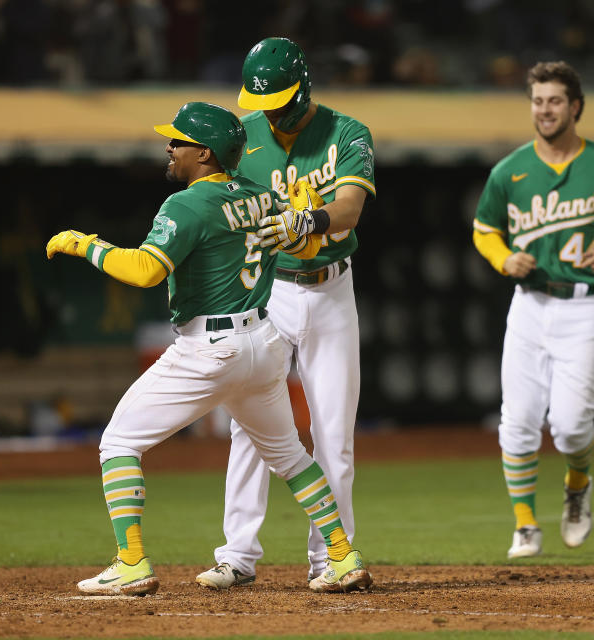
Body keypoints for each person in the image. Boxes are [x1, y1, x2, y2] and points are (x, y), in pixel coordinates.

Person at [46, 101, 370, 595]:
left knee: (118, 443)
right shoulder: (262, 195)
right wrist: (303, 219)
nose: (170, 148)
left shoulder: (186, 204)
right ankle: (342, 557)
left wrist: (86, 246)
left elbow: (145, 271)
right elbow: (305, 247)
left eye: (178, 142)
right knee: (292, 458)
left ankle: (131, 562)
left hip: (210, 347)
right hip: (262, 346)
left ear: (204, 154)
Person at [197, 37, 375, 593]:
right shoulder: (244, 135)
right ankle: (238, 555)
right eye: (263, 100)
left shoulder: (347, 132)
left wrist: (312, 221)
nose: (270, 110)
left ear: (305, 88)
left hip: (328, 292)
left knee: (332, 434)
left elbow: (350, 204)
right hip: (267, 292)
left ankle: (331, 559)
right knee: (249, 426)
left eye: (280, 99)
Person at [472, 61, 594, 557]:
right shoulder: (510, 170)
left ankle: (577, 484)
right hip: (530, 303)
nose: (544, 109)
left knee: (570, 426)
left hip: (587, 307)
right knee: (518, 419)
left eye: (554, 101)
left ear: (576, 107)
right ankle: (525, 524)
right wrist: (505, 259)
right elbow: (485, 230)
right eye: (538, 100)